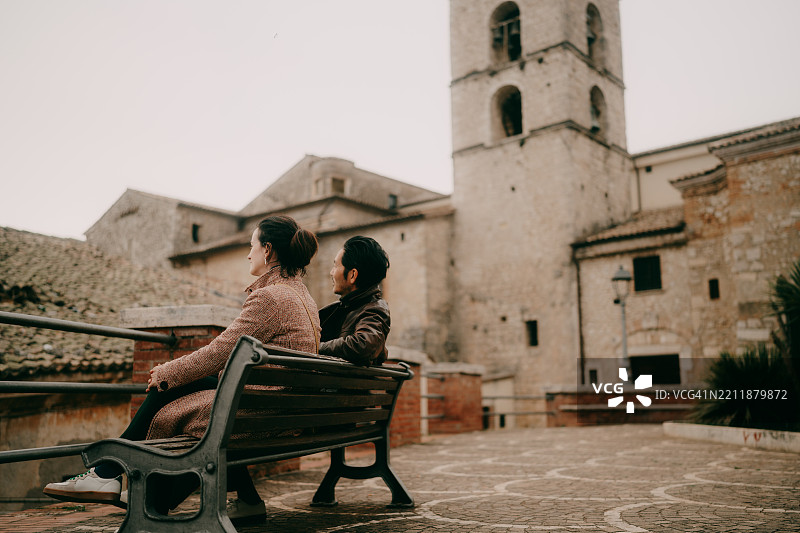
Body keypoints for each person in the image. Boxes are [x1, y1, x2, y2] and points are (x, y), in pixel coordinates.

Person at [44, 215, 320, 525]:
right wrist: (174, 377)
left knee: (178, 403)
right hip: (282, 409)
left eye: (251, 245)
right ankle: (115, 477)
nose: (248, 254)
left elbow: (219, 352)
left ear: (267, 250)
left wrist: (166, 372)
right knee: (182, 389)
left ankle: (114, 477)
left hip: (260, 413)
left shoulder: (271, 297)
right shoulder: (303, 297)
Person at [318, 236, 390, 366]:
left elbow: (364, 345)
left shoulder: (375, 308)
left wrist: (315, 347)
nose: (331, 273)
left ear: (352, 275)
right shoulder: (345, 306)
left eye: (335, 266)